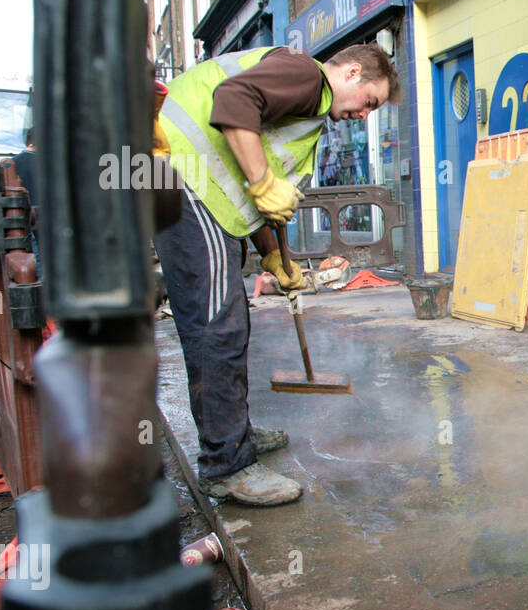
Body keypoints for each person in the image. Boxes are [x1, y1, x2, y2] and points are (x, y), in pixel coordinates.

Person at [155, 43, 400, 505]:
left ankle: (234, 436)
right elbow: (233, 103)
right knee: (215, 326)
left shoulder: (306, 104)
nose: (366, 115)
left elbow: (247, 184)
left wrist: (273, 255)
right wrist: (266, 183)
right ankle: (226, 465)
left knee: (229, 320)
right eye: (370, 102)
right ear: (351, 73)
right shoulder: (309, 80)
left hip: (196, 187)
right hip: (183, 178)